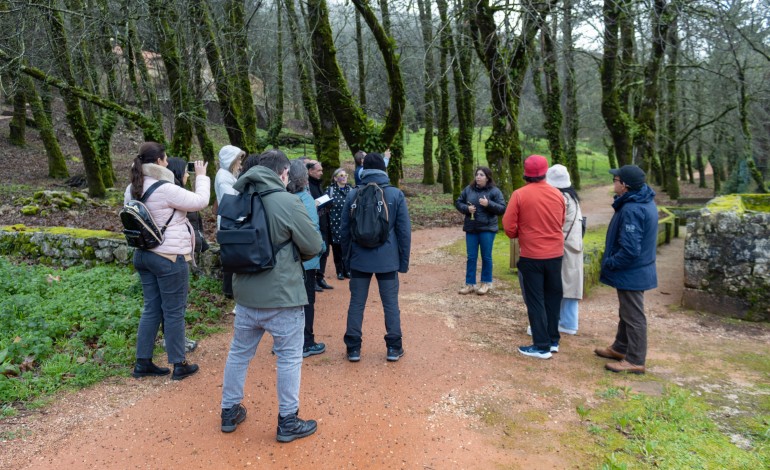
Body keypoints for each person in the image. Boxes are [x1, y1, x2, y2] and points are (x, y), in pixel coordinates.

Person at [219, 149, 323, 442]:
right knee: (289, 358)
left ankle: (229, 410)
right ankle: (287, 420)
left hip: (245, 295)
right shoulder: (287, 201)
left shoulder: (235, 199)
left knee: (239, 353)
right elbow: (313, 245)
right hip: (282, 295)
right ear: (283, 173)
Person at [125, 142, 209, 380]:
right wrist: (201, 177)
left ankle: (143, 362)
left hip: (143, 254)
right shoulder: (165, 188)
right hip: (168, 257)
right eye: (165, 158)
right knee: (173, 312)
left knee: (151, 309)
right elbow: (200, 201)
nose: (168, 161)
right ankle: (179, 364)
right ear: (159, 162)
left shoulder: (131, 187)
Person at [341, 153, 411, 362]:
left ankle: (353, 348)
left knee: (356, 303)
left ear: (364, 170)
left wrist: (346, 260)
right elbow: (404, 232)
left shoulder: (353, 194)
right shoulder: (395, 194)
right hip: (387, 260)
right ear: (383, 169)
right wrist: (403, 263)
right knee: (390, 304)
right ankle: (393, 347)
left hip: (359, 259)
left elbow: (344, 231)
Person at [594, 165, 657, 374]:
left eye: (616, 180)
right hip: (637, 269)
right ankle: (620, 348)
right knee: (627, 311)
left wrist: (611, 262)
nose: (614, 183)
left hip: (632, 271)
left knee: (634, 315)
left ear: (625, 185)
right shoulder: (641, 201)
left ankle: (635, 360)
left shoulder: (632, 209)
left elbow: (630, 249)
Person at [502, 155, 565, 360]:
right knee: (553, 297)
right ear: (545, 172)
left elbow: (508, 227)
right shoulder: (557, 194)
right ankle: (553, 340)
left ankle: (541, 345)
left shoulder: (519, 195)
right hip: (556, 254)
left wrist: (522, 233)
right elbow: (561, 221)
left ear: (525, 173)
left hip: (532, 254)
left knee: (535, 299)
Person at [287, 159, 327, 358]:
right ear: (304, 177)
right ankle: (306, 343)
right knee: (307, 301)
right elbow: (312, 229)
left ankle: (285, 342)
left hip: (286, 258)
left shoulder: (281, 197)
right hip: (306, 259)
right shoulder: (305, 198)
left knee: (288, 301)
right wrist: (321, 247)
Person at [454, 166, 506, 295]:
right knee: (471, 257)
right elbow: (458, 202)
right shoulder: (469, 189)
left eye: (481, 175)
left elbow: (502, 208)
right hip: (471, 228)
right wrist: (467, 209)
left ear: (487, 177)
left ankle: (486, 283)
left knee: (486, 256)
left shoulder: (494, 191)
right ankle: (470, 284)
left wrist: (489, 204)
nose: (478, 177)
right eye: (477, 174)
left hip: (487, 228)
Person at [546, 164, 584, 335]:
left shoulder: (561, 199)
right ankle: (568, 321)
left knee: (560, 285)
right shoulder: (571, 197)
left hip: (562, 247)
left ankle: (564, 323)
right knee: (569, 284)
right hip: (572, 247)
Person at [215, 145, 244, 298]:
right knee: (230, 256)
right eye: (238, 159)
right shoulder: (224, 178)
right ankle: (229, 290)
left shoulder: (228, 175)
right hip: (229, 221)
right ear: (231, 160)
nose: (240, 163)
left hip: (230, 220)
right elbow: (231, 201)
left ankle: (231, 289)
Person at [307, 160, 334, 291]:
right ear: (310, 171)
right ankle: (312, 280)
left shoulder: (318, 183)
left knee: (325, 250)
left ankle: (320, 277)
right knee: (316, 251)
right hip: (314, 223)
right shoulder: (307, 185)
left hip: (324, 221)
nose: (321, 173)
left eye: (321, 170)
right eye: (318, 170)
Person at [326, 168, 353, 280]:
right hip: (335, 224)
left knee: (348, 248)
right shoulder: (330, 190)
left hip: (349, 224)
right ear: (335, 178)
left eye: (345, 175)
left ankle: (348, 270)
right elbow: (323, 206)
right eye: (341, 175)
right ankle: (339, 271)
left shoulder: (351, 190)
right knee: (337, 249)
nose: (344, 177)